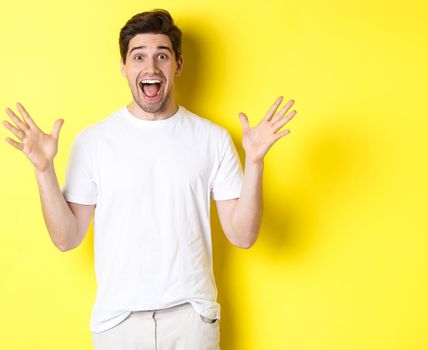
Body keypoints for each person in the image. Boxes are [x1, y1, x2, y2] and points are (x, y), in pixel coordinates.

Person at [2, 9, 297, 349]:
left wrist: (256, 162)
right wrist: (43, 170)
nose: (151, 67)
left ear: (178, 65)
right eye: (138, 56)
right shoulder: (94, 141)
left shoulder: (212, 139)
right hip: (118, 324)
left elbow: (242, 235)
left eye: (162, 56)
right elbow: (66, 238)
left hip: (192, 321)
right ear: (124, 67)